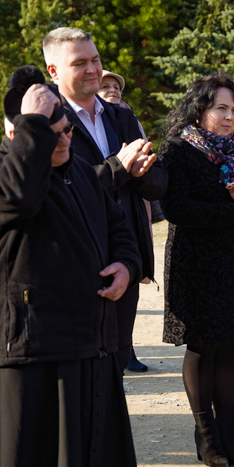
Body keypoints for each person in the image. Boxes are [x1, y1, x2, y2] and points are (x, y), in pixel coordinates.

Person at [0, 70, 143, 467]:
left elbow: (120, 230)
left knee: (84, 446)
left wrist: (126, 267)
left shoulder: (82, 175)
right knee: (34, 453)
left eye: (67, 129)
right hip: (32, 337)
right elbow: (18, 199)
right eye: (51, 132)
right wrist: (34, 128)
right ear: (18, 133)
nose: (65, 139)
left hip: (87, 333)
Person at [159, 73, 234, 467]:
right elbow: (175, 208)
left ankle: (228, 434)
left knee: (227, 348)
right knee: (202, 346)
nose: (228, 116)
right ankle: (206, 436)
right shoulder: (177, 150)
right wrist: (232, 211)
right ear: (200, 108)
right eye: (220, 108)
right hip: (196, 262)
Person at [43, 28, 166, 377]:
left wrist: (140, 173)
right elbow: (58, 193)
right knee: (77, 374)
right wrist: (119, 167)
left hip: (124, 260)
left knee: (114, 369)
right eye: (79, 62)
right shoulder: (43, 122)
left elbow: (157, 187)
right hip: (75, 264)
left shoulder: (121, 116)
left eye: (95, 60)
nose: (93, 69)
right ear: (53, 71)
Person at [96, 68, 155, 372]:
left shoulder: (127, 120)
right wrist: (120, 167)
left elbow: (149, 182)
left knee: (124, 314)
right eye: (106, 86)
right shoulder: (69, 121)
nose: (113, 90)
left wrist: (143, 171)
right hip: (92, 236)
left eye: (117, 86)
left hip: (128, 227)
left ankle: (126, 350)